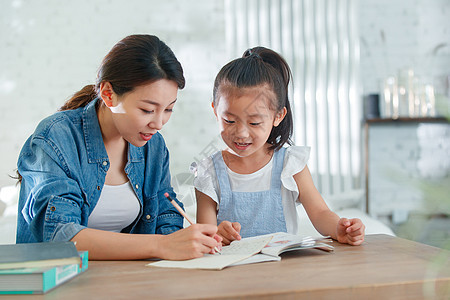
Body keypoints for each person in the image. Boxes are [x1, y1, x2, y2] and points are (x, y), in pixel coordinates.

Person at [16, 34, 221, 260]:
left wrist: (198, 241)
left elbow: (165, 214)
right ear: (108, 94)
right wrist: (161, 245)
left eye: (169, 109)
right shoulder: (57, 136)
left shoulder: (152, 145)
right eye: (147, 110)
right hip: (60, 283)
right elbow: (59, 235)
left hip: (129, 281)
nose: (159, 123)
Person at [194, 46, 365, 246]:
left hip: (283, 270)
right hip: (233, 272)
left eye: (254, 123)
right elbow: (205, 232)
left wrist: (339, 228)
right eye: (230, 121)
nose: (241, 133)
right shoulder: (208, 171)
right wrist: (217, 234)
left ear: (278, 116)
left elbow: (320, 213)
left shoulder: (290, 164)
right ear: (215, 111)